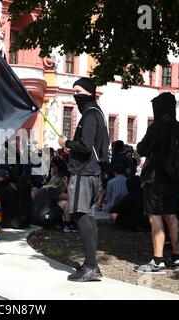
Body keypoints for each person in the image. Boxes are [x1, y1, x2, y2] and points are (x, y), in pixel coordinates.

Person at [59, 77, 109, 282]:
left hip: (84, 172)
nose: (75, 95)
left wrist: (68, 142)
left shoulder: (89, 114)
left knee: (79, 215)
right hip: (93, 172)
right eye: (73, 91)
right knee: (87, 216)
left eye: (78, 91)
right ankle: (91, 264)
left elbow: (86, 146)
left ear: (89, 92)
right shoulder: (97, 112)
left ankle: (90, 265)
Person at [135, 92, 179, 274]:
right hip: (174, 179)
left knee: (154, 216)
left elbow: (142, 148)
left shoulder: (157, 127)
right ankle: (177, 257)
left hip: (155, 178)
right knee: (171, 216)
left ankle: (158, 261)